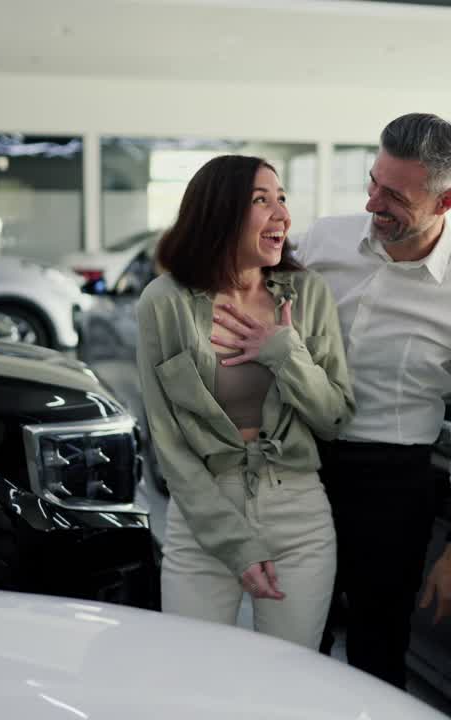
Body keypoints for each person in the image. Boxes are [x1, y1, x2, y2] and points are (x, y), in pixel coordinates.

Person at [297, 113, 451, 687]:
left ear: (446, 201)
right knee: (293, 639)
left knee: (377, 652)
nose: (373, 203)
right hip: (302, 465)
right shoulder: (321, 240)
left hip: (392, 486)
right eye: (372, 182)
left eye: (394, 195)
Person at [136, 154, 356, 649]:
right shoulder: (164, 302)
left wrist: (285, 353)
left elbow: (334, 417)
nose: (281, 214)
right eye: (262, 201)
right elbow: (168, 443)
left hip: (299, 518)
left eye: (282, 199)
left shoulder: (307, 295)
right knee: (193, 685)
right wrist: (236, 545)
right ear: (219, 213)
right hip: (203, 520)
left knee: (289, 686)